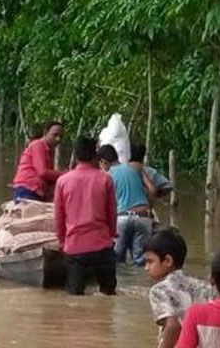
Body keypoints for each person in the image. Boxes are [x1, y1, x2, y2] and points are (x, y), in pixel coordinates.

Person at [143, 228, 216, 348]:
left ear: (167, 261)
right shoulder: (204, 287)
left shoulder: (159, 290)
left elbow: (173, 326)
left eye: (150, 261)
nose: (146, 268)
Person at [54, 135, 117, 296]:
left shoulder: (63, 181)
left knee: (75, 297)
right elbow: (112, 213)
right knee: (108, 294)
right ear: (94, 155)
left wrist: (63, 241)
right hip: (102, 245)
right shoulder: (105, 179)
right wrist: (109, 237)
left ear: (75, 155)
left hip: (75, 248)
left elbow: (59, 217)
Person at [97, 144, 156, 266]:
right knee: (141, 261)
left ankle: (123, 284)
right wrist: (149, 207)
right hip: (143, 216)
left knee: (117, 260)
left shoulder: (106, 176)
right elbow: (152, 189)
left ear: (103, 162)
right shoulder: (136, 167)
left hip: (122, 218)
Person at [12, 121, 65, 201]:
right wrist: (64, 174)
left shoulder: (49, 151)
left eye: (61, 136)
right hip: (27, 190)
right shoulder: (38, 145)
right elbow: (42, 172)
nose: (58, 139)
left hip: (36, 192)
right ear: (45, 133)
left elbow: (47, 177)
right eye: (55, 135)